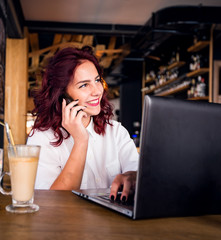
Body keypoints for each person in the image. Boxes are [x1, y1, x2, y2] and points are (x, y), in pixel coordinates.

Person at [27, 46, 139, 202]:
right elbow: (50, 202)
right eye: (84, 85)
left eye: (97, 80)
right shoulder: (42, 138)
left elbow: (138, 174)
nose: (97, 91)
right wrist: (81, 141)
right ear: (62, 95)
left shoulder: (116, 132)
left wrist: (132, 176)